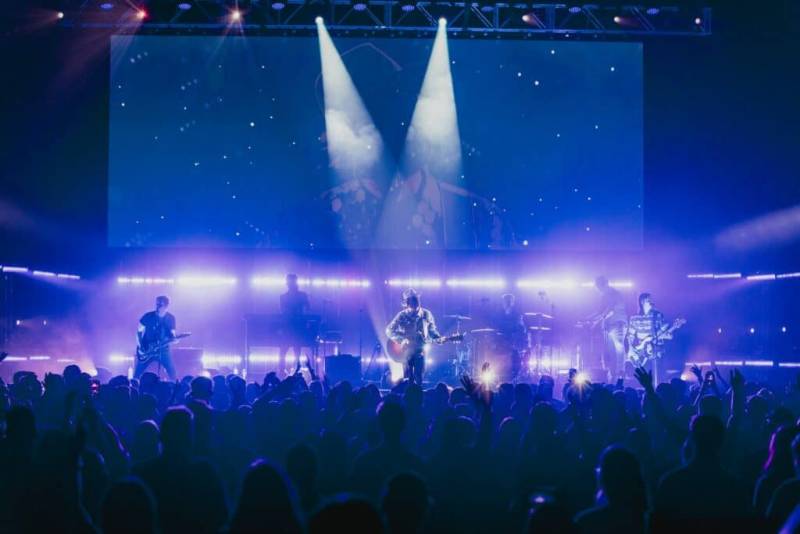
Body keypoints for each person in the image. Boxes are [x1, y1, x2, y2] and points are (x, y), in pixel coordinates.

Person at [385, 288, 441, 385]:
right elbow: (389, 330)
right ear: (407, 304)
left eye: (416, 301)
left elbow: (432, 331)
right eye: (411, 302)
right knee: (408, 377)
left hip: (421, 350)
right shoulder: (402, 315)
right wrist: (401, 339)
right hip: (406, 351)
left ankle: (417, 395)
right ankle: (408, 395)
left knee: (419, 376)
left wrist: (438, 338)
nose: (414, 304)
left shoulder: (426, 314)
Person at [625, 293, 667, 384]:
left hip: (656, 349)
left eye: (651, 300)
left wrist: (667, 335)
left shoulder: (658, 315)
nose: (651, 301)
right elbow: (630, 335)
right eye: (649, 300)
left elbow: (664, 331)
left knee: (659, 377)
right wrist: (631, 349)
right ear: (642, 302)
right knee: (646, 378)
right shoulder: (634, 318)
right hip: (642, 352)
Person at [591, 276, 627, 380]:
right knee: (611, 352)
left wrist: (596, 321)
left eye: (598, 286)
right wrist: (588, 318)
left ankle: (620, 373)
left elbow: (610, 309)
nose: (598, 289)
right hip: (609, 326)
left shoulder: (613, 293)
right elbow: (600, 311)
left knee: (619, 348)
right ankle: (613, 375)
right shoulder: (604, 295)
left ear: (603, 284)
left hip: (617, 323)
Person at [134, 296, 177, 380]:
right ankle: (133, 388)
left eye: (160, 304)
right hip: (147, 349)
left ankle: (174, 388)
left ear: (166, 305)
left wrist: (174, 340)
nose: (157, 306)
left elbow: (172, 335)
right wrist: (140, 347)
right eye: (157, 304)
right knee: (137, 373)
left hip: (163, 350)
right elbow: (138, 332)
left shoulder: (171, 318)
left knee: (172, 373)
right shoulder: (148, 316)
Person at [279, 274, 311, 374]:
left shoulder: (300, 296)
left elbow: (307, 308)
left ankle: (294, 370)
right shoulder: (284, 297)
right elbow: (283, 312)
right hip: (290, 327)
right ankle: (283, 370)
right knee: (285, 350)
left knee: (294, 350)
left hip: (297, 327)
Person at [495, 293, 526, 382]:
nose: (507, 303)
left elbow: (521, 328)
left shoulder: (517, 314)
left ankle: (512, 377)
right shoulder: (499, 313)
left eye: (509, 301)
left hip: (513, 342)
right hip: (502, 342)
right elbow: (496, 326)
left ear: (513, 302)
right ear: (503, 302)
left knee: (514, 360)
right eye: (506, 301)